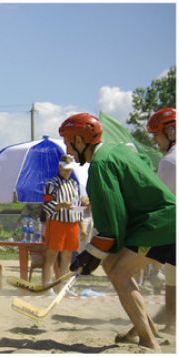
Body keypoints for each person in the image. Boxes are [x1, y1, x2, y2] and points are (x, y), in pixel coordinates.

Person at [59, 112, 175, 352]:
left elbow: (113, 223)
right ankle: (147, 328)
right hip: (155, 223)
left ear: (80, 141)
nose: (67, 148)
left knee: (120, 274)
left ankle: (148, 342)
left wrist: (89, 255)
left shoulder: (100, 165)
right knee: (112, 264)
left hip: (159, 226)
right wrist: (97, 255)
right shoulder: (116, 150)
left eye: (68, 141)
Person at [147, 107, 176, 334]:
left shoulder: (169, 162)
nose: (155, 142)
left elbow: (160, 200)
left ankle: (172, 325)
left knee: (172, 279)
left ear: (171, 132)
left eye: (156, 135)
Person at [41, 154, 85, 287]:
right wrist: (61, 205)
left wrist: (82, 227)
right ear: (60, 167)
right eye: (65, 168)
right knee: (51, 255)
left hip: (72, 224)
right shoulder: (51, 184)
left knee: (67, 256)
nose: (68, 171)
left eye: (70, 169)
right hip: (57, 223)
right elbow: (46, 205)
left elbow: (77, 206)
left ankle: (63, 285)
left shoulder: (74, 184)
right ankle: (47, 285)